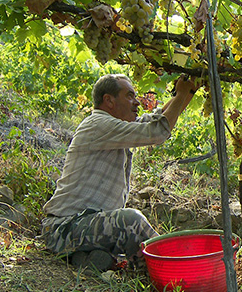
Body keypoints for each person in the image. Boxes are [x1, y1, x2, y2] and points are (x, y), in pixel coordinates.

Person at [41, 73, 200, 271]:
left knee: (120, 236)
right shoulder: (99, 124)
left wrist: (187, 94)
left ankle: (91, 259)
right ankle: (175, 271)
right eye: (129, 96)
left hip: (82, 227)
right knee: (130, 221)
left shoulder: (115, 128)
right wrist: (181, 94)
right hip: (64, 229)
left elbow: (156, 119)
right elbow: (158, 131)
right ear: (108, 100)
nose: (136, 103)